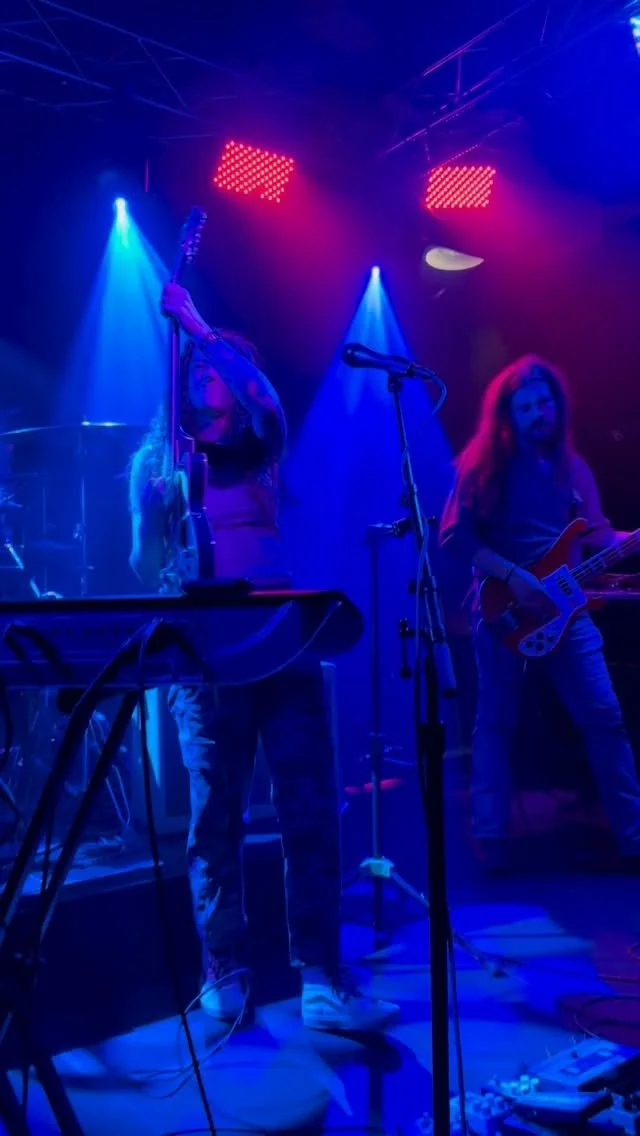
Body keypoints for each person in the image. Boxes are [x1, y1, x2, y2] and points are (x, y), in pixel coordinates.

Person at [129, 281, 399, 1032]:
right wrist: (153, 515)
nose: (206, 372)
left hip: (281, 636)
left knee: (308, 806)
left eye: (218, 366)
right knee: (215, 813)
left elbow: (268, 402)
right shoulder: (159, 461)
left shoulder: (259, 449)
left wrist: (199, 326)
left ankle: (322, 978)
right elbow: (141, 563)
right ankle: (224, 965)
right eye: (197, 366)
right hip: (206, 650)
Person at [440, 354, 640, 871]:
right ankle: (491, 839)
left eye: (544, 403)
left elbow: (596, 533)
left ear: (557, 405)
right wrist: (513, 576)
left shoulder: (575, 469)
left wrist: (630, 539)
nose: (537, 414)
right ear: (508, 413)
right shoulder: (479, 465)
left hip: (569, 611)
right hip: (502, 609)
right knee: (495, 722)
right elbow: (453, 536)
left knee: (605, 717)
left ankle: (634, 838)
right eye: (526, 406)